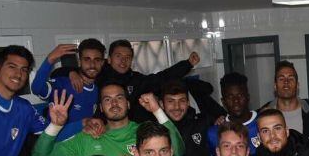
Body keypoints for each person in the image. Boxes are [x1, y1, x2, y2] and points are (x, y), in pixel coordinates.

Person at [54, 39, 200, 122]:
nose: (123, 61)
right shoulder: (98, 74)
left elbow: (162, 77)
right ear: (109, 59)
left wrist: (187, 64)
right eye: (118, 56)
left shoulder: (137, 80)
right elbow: (58, 72)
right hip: (100, 131)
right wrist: (71, 72)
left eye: (128, 57)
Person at [32, 84, 185, 156]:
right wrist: (55, 125)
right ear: (101, 108)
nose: (114, 103)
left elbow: (177, 151)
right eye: (107, 100)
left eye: (119, 98)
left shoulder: (144, 132)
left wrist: (157, 110)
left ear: (128, 103)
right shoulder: (87, 137)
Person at [160, 79, 218, 156]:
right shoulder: (156, 129)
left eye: (181, 101)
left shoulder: (204, 121)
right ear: (161, 104)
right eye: (171, 101)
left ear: (188, 103)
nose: (177, 107)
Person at [260, 60, 309, 143]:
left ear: (297, 85)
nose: (286, 82)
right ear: (275, 86)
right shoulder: (262, 115)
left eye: (290, 78)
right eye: (281, 79)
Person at [207, 72, 260, 156]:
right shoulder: (214, 133)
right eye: (230, 97)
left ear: (248, 97)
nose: (236, 101)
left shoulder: (262, 123)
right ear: (223, 102)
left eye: (240, 95)